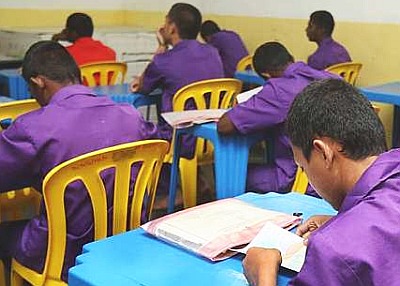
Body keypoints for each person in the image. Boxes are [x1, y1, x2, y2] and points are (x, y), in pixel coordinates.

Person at [0, 41, 158, 282]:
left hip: (61, 252)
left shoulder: (33, 127)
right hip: (123, 240)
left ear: (37, 82)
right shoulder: (130, 115)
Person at [242, 79, 400, 286]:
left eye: (303, 167)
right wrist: (346, 219)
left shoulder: (334, 249)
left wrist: (263, 273)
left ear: (323, 153)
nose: (307, 175)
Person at [217, 42, 338, 194]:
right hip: (336, 172)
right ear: (291, 58)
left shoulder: (277, 91)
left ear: (266, 75)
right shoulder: (330, 78)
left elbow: (224, 126)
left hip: (300, 178)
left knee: (239, 176)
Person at [130, 3, 224, 159]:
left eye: (166, 23)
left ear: (172, 27)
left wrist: (161, 47)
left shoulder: (164, 61)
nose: (163, 27)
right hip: (212, 138)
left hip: (179, 140)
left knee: (136, 130)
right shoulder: (213, 53)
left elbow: (141, 87)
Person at [52, 12, 116, 66]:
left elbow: (50, 65)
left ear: (73, 32)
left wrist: (54, 40)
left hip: (78, 81)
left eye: (67, 30)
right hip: (103, 81)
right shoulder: (110, 52)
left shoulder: (66, 54)